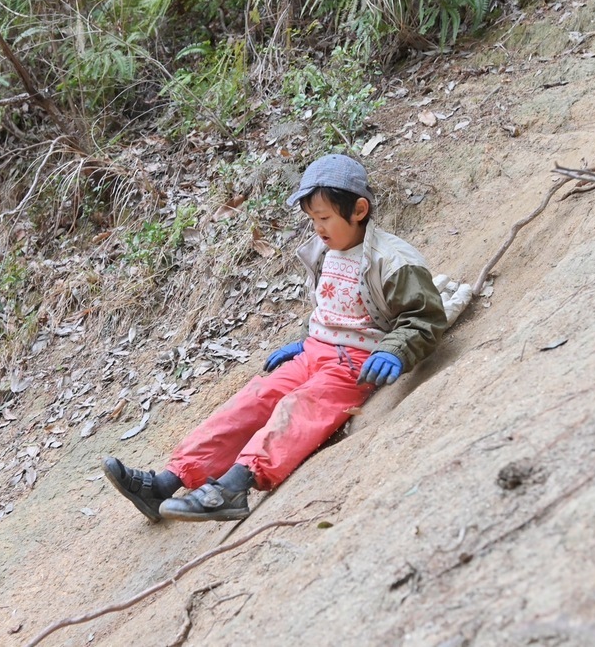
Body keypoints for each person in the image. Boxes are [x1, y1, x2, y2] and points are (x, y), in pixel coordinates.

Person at [103, 153, 447, 523]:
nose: (317, 228)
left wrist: (396, 349)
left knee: (297, 408)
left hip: (355, 366)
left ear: (359, 210)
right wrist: (305, 339)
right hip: (313, 354)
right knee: (254, 400)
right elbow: (331, 305)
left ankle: (234, 487)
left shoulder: (392, 260)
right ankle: (164, 485)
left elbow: (424, 317)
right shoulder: (323, 251)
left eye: (325, 218)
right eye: (312, 219)